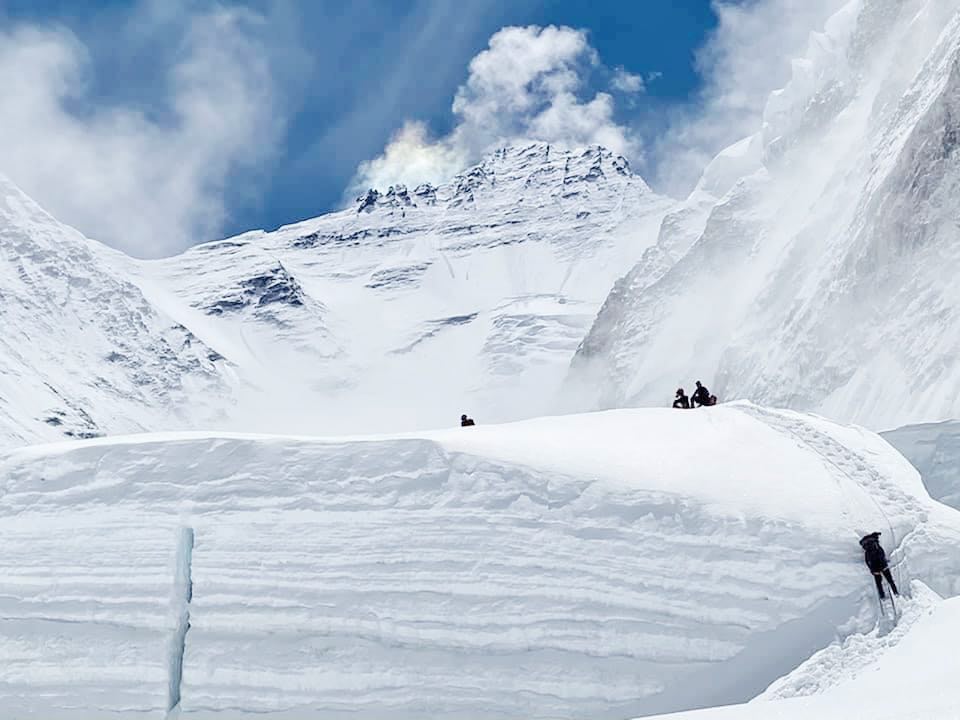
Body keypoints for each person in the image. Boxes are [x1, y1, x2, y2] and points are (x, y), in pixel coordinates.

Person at [860, 532, 899, 599]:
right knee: (890, 580)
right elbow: (882, 554)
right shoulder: (877, 546)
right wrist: (885, 562)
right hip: (883, 566)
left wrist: (872, 570)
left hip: (875, 569)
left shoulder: (867, 549)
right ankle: (895, 593)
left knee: (878, 584)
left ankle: (882, 596)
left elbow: (867, 561)